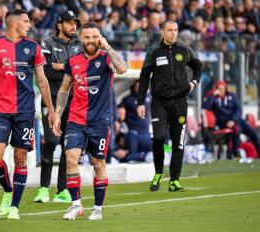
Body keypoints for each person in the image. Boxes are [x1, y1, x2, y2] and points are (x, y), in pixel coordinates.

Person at [0, 9, 55, 220]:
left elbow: (42, 81)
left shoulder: (33, 47)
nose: (29, 25)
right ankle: (7, 190)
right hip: (1, 111)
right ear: (14, 24)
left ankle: (14, 207)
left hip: (25, 111)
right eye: (26, 21)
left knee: (21, 158)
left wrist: (50, 110)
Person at [53, 22, 128, 220]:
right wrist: (58, 115)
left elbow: (122, 68)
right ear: (81, 39)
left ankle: (97, 209)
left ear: (100, 37)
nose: (91, 40)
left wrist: (107, 45)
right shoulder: (73, 61)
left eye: (95, 37)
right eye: (87, 37)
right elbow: (64, 89)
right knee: (70, 159)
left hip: (99, 122)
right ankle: (76, 205)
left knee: (98, 164)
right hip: (76, 120)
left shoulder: (106, 59)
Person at [137, 20, 203, 192]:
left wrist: (194, 83)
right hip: (159, 103)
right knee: (158, 137)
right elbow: (144, 77)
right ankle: (158, 172)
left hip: (180, 103)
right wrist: (140, 102)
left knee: (178, 143)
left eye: (175, 30)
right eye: (170, 30)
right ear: (163, 32)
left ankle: (174, 180)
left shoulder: (185, 50)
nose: (173, 33)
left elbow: (198, 67)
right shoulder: (153, 51)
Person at [34, 10, 82, 204]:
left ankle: (61, 190)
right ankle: (44, 188)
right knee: (52, 141)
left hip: (74, 100)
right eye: (69, 23)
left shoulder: (80, 45)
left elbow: (82, 71)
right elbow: (44, 72)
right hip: (51, 99)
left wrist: (59, 66)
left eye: (75, 23)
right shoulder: (46, 43)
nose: (73, 27)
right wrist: (68, 68)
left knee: (68, 146)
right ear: (59, 24)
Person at [202, 80, 260, 157]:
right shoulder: (213, 98)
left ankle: (258, 151)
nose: (221, 91)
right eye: (219, 89)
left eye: (222, 89)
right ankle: (234, 152)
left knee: (253, 133)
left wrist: (233, 120)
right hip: (223, 122)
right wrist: (212, 95)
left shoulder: (232, 96)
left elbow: (238, 109)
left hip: (236, 120)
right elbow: (206, 107)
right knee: (237, 130)